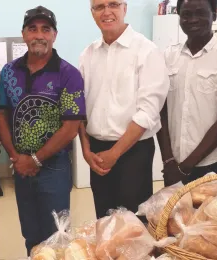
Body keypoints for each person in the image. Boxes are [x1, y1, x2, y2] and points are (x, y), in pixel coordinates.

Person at [0, 5, 85, 255]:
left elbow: (71, 127)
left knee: (58, 235)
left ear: (54, 35)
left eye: (45, 29)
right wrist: (16, 156)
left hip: (54, 167)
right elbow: (1, 115)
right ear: (24, 34)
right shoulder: (9, 72)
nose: (39, 35)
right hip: (21, 166)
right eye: (32, 29)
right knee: (31, 233)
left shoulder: (69, 74)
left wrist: (35, 159)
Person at [79, 0, 169, 220]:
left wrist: (115, 153)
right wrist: (86, 150)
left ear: (124, 8)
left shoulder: (146, 51)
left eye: (113, 4)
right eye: (99, 7)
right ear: (92, 13)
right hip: (97, 152)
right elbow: (78, 106)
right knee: (105, 219)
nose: (106, 11)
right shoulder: (87, 55)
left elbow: (148, 111)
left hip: (133, 152)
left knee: (133, 225)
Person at [157, 0, 217, 186]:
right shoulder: (168, 56)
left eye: (200, 13)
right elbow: (161, 111)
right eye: (186, 14)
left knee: (209, 215)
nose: (193, 19)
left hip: (210, 164)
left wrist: (186, 167)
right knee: (175, 215)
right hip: (173, 163)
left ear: (213, 15)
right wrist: (168, 160)